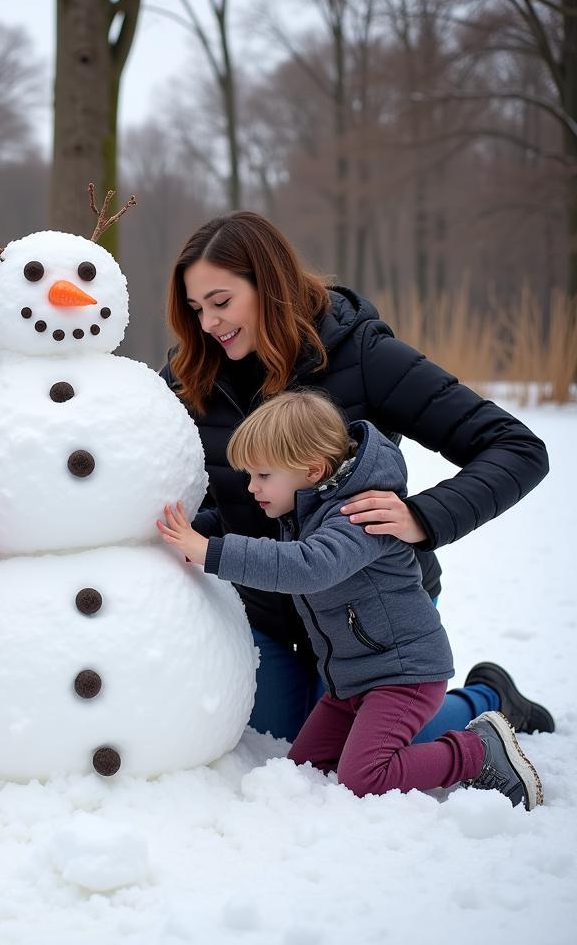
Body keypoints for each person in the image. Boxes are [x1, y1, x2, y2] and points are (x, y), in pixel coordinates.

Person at [162, 212, 553, 743]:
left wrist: (423, 516)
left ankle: (488, 700)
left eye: (221, 302)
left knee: (363, 747)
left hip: (371, 616)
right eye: (196, 308)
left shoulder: (363, 356)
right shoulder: (190, 378)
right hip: (267, 612)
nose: (208, 323)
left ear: (269, 286)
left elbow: (516, 448)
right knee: (271, 740)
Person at [158, 391, 543, 808]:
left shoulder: (359, 515)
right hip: (351, 682)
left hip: (403, 675)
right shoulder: (306, 507)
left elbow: (308, 566)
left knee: (365, 778)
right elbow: (252, 531)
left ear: (314, 469)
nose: (252, 488)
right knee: (304, 768)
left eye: (263, 476)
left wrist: (210, 552)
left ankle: (477, 753)